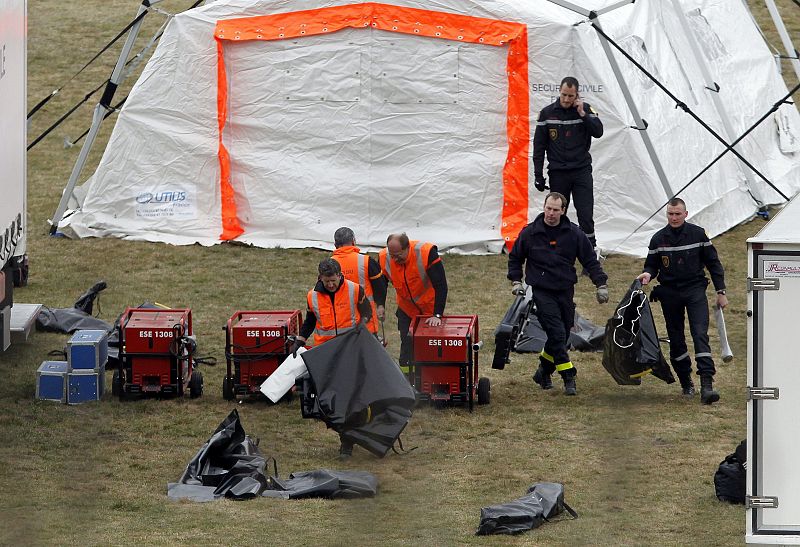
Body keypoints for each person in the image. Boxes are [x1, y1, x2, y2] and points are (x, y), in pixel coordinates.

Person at [507, 192, 609, 396]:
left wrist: (601, 284)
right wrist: (516, 280)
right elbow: (515, 257)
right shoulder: (531, 233)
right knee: (557, 333)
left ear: (563, 211)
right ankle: (568, 375)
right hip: (542, 291)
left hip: (565, 290)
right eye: (548, 208)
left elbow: (589, 260)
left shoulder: (574, 234)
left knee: (560, 337)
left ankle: (543, 372)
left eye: (555, 210)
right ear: (544, 207)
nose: (551, 213)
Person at [636, 197, 727, 405]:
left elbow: (713, 263)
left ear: (686, 214)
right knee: (676, 339)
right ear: (666, 214)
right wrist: (647, 275)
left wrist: (720, 291)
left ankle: (707, 385)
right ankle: (686, 382)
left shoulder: (698, 234)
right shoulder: (658, 239)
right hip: (670, 293)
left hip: (695, 290)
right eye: (670, 214)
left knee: (699, 334)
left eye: (678, 214)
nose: (674, 218)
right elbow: (651, 265)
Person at [292, 258, 373, 459]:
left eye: (333, 281)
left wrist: (362, 330)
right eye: (326, 281)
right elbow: (310, 320)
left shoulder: (355, 290)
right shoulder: (313, 296)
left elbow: (367, 314)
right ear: (320, 277)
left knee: (350, 399)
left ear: (339, 276)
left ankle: (347, 442)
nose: (330, 285)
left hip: (351, 352)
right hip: (327, 354)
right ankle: (345, 434)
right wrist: (300, 340)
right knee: (331, 402)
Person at [533, 76, 604, 250]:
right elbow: (539, 147)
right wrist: (538, 175)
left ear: (577, 95)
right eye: (564, 94)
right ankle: (555, 249)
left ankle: (590, 252)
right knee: (554, 214)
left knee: (585, 214)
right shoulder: (547, 113)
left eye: (570, 96)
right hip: (558, 172)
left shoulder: (586, 110)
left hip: (581, 171)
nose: (566, 99)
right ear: (560, 91)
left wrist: (583, 114)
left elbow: (599, 132)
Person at [378, 233, 448, 373]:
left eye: (398, 255)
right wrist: (380, 305)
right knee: (407, 344)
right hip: (406, 309)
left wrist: (437, 314)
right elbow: (381, 284)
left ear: (407, 247)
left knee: (430, 346)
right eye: (392, 255)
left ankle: (432, 376)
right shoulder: (384, 257)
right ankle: (407, 381)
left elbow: (441, 285)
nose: (395, 259)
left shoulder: (426, 253)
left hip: (429, 310)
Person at [330, 227, 388, 341]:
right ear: (353, 241)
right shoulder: (366, 261)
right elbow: (381, 285)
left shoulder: (329, 265)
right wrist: (380, 305)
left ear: (335, 244)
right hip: (366, 320)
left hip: (340, 323)